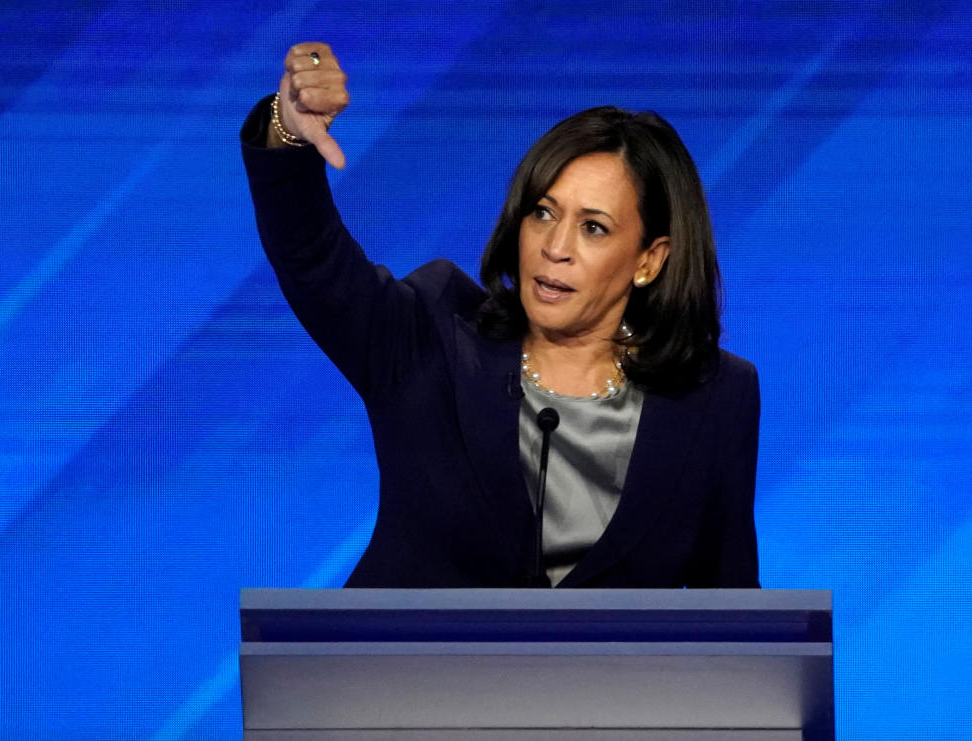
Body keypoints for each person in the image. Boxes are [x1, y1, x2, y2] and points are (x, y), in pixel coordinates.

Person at [241, 43, 760, 588]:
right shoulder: (433, 337)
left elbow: (730, 627)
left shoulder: (716, 398)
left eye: (593, 227)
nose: (555, 247)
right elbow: (312, 260)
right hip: (404, 672)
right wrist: (289, 132)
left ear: (650, 260)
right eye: (543, 213)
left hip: (609, 678)